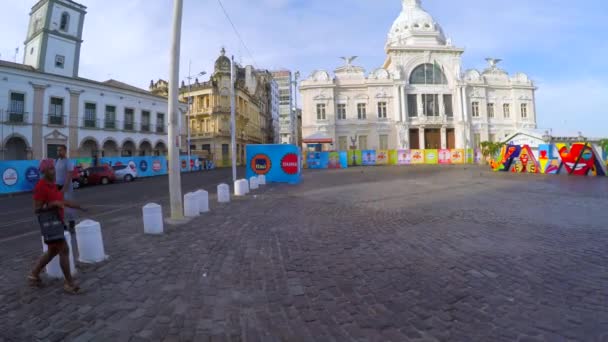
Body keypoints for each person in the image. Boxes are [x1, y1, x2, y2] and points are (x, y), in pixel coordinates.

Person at [29, 159, 84, 294]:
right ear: (44, 171)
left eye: (53, 168)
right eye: (50, 169)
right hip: (50, 225)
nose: (53, 171)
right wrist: (52, 204)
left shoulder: (53, 185)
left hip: (57, 222)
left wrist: (76, 205)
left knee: (53, 251)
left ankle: (33, 275)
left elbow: (59, 201)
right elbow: (37, 209)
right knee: (64, 249)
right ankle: (69, 283)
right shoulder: (41, 186)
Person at [55, 145, 76, 233]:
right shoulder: (57, 161)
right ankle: (62, 225)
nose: (58, 152)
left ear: (65, 151)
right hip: (58, 186)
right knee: (59, 206)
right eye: (58, 150)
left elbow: (69, 175)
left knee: (68, 207)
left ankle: (72, 225)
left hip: (66, 188)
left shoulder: (68, 162)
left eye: (60, 150)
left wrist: (64, 188)